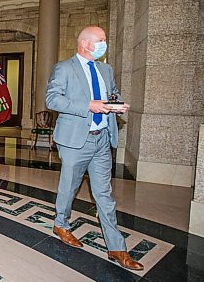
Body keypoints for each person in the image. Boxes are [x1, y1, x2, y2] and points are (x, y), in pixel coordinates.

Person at [45, 26, 144, 270]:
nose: (104, 44)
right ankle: (61, 224)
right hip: (75, 140)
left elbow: (112, 94)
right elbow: (52, 99)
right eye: (101, 40)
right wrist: (88, 105)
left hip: (102, 139)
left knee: (104, 194)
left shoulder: (106, 69)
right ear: (86, 44)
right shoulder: (65, 68)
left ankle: (117, 247)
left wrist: (116, 105)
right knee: (69, 188)